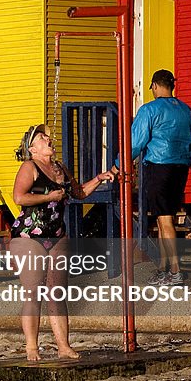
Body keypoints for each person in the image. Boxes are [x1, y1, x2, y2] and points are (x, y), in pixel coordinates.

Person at [11, 124, 114, 360]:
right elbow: (19, 197)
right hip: (29, 236)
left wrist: (99, 178)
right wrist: (48, 196)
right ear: (32, 148)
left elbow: (78, 192)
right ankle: (31, 347)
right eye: (41, 137)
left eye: (47, 135)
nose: (48, 138)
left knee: (57, 292)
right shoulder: (30, 167)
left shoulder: (60, 168)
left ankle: (64, 346)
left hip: (57, 235)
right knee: (33, 292)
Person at [111, 69, 191, 286]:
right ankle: (163, 268)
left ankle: (175, 270)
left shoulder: (149, 109)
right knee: (164, 217)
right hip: (181, 166)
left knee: (164, 220)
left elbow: (136, 142)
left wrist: (118, 165)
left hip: (159, 166)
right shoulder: (186, 110)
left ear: (155, 86)